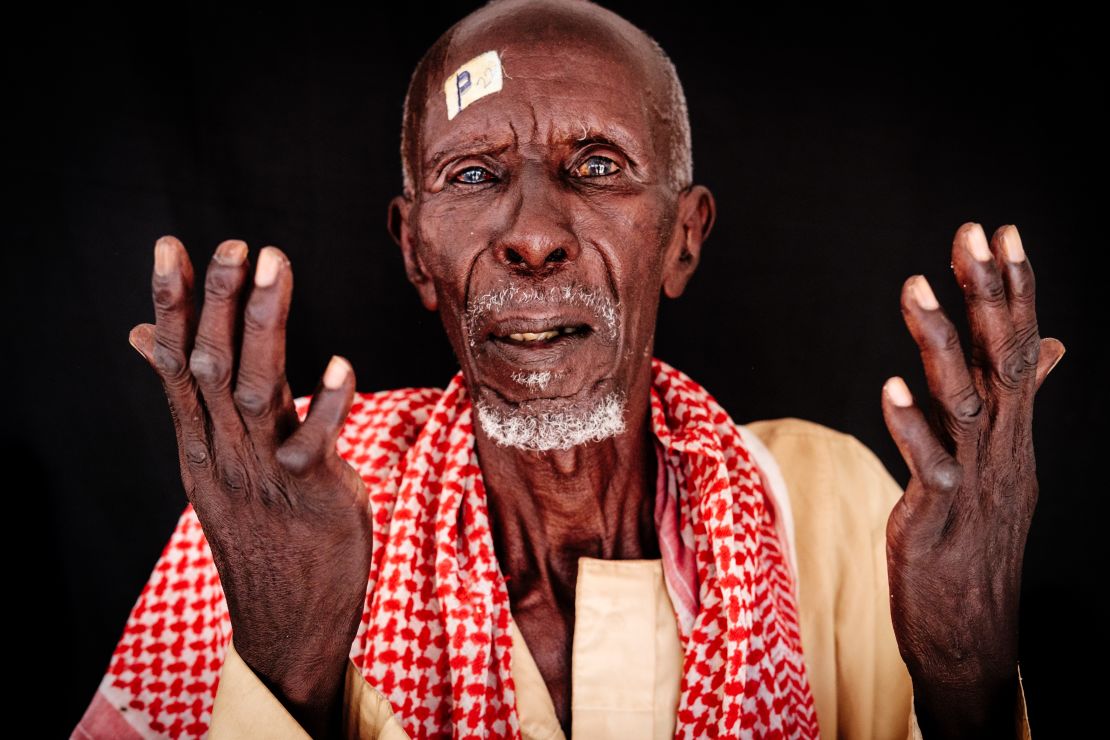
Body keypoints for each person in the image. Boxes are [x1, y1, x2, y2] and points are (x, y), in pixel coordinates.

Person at [73, 0, 1062, 738]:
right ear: (415, 252)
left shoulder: (833, 502)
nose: (535, 235)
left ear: (682, 238)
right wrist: (287, 664)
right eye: (474, 174)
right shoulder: (284, 509)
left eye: (596, 165)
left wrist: (969, 679)